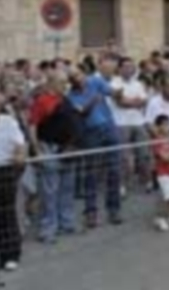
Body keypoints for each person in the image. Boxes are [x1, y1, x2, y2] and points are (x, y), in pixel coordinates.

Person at [67, 63, 124, 228]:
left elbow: (112, 93)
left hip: (109, 128)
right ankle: (90, 212)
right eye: (73, 77)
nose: (78, 79)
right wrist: (93, 101)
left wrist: (118, 93)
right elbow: (81, 112)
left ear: (83, 73)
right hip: (91, 133)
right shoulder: (71, 95)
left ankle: (114, 209)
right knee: (91, 173)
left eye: (79, 75)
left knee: (114, 170)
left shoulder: (95, 81)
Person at [29, 71, 81, 244]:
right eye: (61, 82)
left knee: (67, 188)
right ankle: (48, 228)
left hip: (68, 148)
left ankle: (66, 223)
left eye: (66, 82)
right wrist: (37, 150)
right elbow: (33, 125)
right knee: (49, 191)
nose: (65, 85)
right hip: (50, 148)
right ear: (51, 83)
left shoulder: (65, 100)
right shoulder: (41, 101)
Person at [0, 90, 26, 271]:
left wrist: (19, 155)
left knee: (5, 213)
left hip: (3, 170)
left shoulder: (8, 122)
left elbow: (20, 144)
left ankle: (9, 255)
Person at [110, 57, 151, 191]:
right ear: (120, 68)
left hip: (138, 121)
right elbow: (120, 102)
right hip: (121, 123)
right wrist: (135, 102)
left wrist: (130, 102)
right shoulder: (114, 83)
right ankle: (122, 184)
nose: (129, 69)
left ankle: (146, 181)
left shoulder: (138, 84)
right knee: (123, 157)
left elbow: (144, 101)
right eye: (126, 66)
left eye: (131, 66)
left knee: (144, 153)